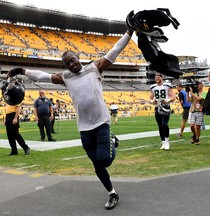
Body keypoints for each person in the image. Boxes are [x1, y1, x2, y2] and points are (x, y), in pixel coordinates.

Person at [7, 29, 134, 210]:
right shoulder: (66, 77)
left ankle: (113, 140)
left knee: (104, 159)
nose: (71, 65)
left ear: (78, 57)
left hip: (101, 123)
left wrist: (129, 32)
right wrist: (21, 70)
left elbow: (114, 50)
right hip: (84, 128)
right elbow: (42, 76)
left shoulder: (94, 67)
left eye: (73, 60)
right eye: (68, 63)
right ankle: (112, 193)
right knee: (97, 165)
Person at [150, 73, 176, 150]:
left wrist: (167, 100)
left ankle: (167, 141)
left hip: (165, 107)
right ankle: (163, 142)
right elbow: (150, 98)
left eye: (158, 77)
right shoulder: (153, 87)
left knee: (164, 124)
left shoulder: (167, 86)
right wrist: (152, 101)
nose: (157, 79)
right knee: (160, 126)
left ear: (162, 78)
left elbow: (173, 97)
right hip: (157, 107)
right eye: (156, 78)